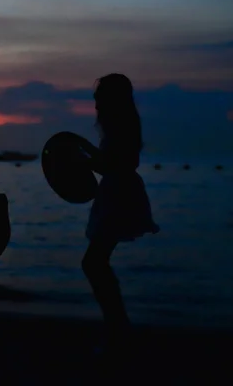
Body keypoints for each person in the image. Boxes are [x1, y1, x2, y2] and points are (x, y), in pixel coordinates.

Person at [78, 73, 159, 351]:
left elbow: (113, 164)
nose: (97, 106)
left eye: (100, 99)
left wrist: (84, 156)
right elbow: (108, 163)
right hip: (116, 191)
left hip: (119, 193)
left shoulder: (122, 128)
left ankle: (118, 328)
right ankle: (118, 327)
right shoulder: (121, 127)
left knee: (94, 262)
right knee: (96, 262)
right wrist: (86, 154)